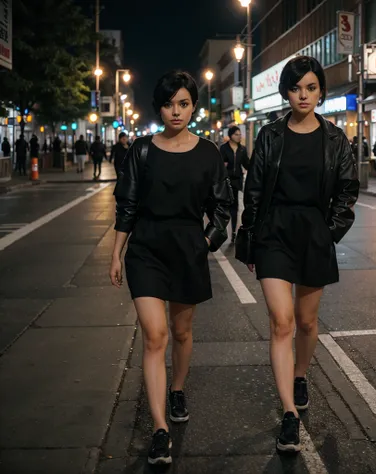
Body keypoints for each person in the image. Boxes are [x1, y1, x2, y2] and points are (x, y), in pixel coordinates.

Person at [235, 56, 359, 454]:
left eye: (309, 87)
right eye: (295, 88)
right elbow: (253, 190)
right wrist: (250, 238)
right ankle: (288, 413)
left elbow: (347, 191)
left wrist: (329, 232)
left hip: (313, 234)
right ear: (285, 92)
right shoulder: (271, 136)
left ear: (320, 91)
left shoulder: (336, 139)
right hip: (273, 234)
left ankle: (300, 374)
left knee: (307, 322)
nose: (302, 95)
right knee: (281, 321)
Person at [109, 70, 232, 466]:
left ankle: (177, 389)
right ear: (158, 107)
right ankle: (160, 427)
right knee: (155, 335)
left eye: (182, 103)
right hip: (145, 249)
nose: (175, 111)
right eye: (167, 104)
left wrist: (207, 241)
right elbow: (126, 205)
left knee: (181, 331)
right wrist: (116, 253)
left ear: (193, 105)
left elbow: (222, 208)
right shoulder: (141, 150)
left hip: (187, 249)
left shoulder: (209, 153)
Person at [219, 126, 250, 242]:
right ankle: (220, 230)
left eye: (240, 134)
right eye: (237, 134)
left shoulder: (242, 149)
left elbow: (247, 164)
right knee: (223, 206)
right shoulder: (224, 148)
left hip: (236, 181)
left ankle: (233, 231)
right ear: (231, 135)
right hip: (225, 181)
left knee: (235, 207)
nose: (239, 136)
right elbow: (220, 164)